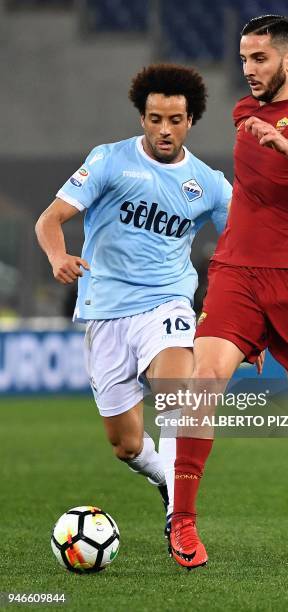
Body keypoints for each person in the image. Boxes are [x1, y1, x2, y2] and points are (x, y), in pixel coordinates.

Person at [169, 15, 288, 569]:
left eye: (260, 59)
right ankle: (182, 521)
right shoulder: (243, 112)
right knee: (201, 380)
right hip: (236, 273)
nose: (249, 70)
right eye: (244, 58)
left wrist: (284, 144)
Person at [35, 63, 232, 551]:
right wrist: (58, 255)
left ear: (191, 121)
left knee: (177, 391)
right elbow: (50, 218)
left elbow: (245, 247)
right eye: (154, 118)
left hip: (166, 303)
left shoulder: (208, 185)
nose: (164, 129)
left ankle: (178, 516)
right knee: (125, 444)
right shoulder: (108, 161)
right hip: (105, 312)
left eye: (175, 120)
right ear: (142, 117)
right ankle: (166, 478)